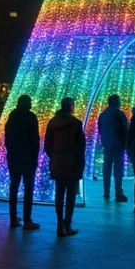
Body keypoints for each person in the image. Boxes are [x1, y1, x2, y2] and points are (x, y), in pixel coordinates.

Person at [44, 96, 85, 237]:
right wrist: (80, 164)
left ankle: (59, 226)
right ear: (71, 107)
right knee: (71, 196)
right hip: (72, 164)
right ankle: (68, 224)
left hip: (57, 163)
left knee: (59, 195)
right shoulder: (76, 124)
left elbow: (47, 146)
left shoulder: (52, 123)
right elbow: (81, 147)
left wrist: (55, 157)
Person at [4, 94, 41, 230]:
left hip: (14, 157)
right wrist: (35, 156)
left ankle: (13, 218)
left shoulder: (12, 116)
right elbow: (35, 139)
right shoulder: (31, 117)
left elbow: (7, 135)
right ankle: (27, 220)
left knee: (14, 187)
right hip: (27, 158)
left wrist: (10, 150)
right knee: (28, 188)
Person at [97, 94, 129, 202]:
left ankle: (106, 192)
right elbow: (125, 129)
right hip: (118, 145)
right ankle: (118, 192)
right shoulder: (119, 114)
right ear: (117, 102)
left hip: (107, 145)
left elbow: (100, 130)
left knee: (107, 169)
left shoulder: (102, 115)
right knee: (118, 170)